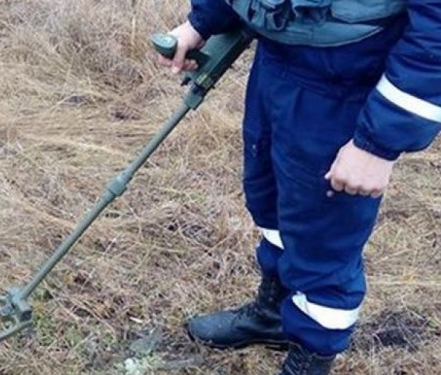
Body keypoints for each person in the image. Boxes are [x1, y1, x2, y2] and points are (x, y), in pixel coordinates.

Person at [157, 1, 441, 374]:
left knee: (323, 242)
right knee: (269, 204)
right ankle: (273, 313)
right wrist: (202, 21)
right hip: (276, 67)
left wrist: (379, 142)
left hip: (343, 91)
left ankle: (311, 357)